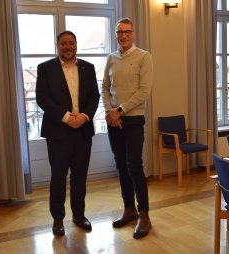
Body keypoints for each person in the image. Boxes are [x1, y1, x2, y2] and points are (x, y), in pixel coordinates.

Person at [36, 31, 100, 236]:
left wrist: (85, 116)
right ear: (57, 46)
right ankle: (57, 219)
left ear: (76, 45)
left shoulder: (88, 68)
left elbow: (94, 97)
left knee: (80, 177)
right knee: (58, 177)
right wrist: (66, 117)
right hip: (58, 132)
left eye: (71, 43)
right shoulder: (45, 68)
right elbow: (42, 98)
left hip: (83, 131)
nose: (68, 47)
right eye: (63, 43)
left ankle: (79, 215)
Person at [101, 18, 153, 239]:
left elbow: (144, 91)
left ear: (133, 33)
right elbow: (104, 87)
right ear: (116, 34)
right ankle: (129, 209)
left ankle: (144, 214)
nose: (123, 36)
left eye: (127, 32)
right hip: (115, 121)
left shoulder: (144, 56)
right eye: (119, 32)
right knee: (121, 166)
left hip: (132, 120)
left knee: (135, 166)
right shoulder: (111, 58)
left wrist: (119, 110)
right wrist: (109, 111)